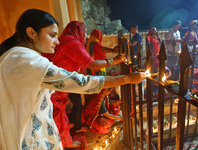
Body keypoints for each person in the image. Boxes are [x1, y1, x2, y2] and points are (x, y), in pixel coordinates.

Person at [0, 9, 147, 150]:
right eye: (52, 35)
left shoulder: (15, 56)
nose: (57, 42)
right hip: (27, 136)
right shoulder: (29, 62)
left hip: (20, 127)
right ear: (31, 33)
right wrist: (127, 78)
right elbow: (81, 81)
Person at [42, 21, 126, 149]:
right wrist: (115, 62)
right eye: (85, 32)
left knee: (57, 111)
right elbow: (92, 64)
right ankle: (64, 142)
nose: (86, 36)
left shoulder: (65, 40)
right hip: (56, 86)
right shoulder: (72, 43)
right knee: (57, 112)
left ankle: (64, 139)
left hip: (55, 83)